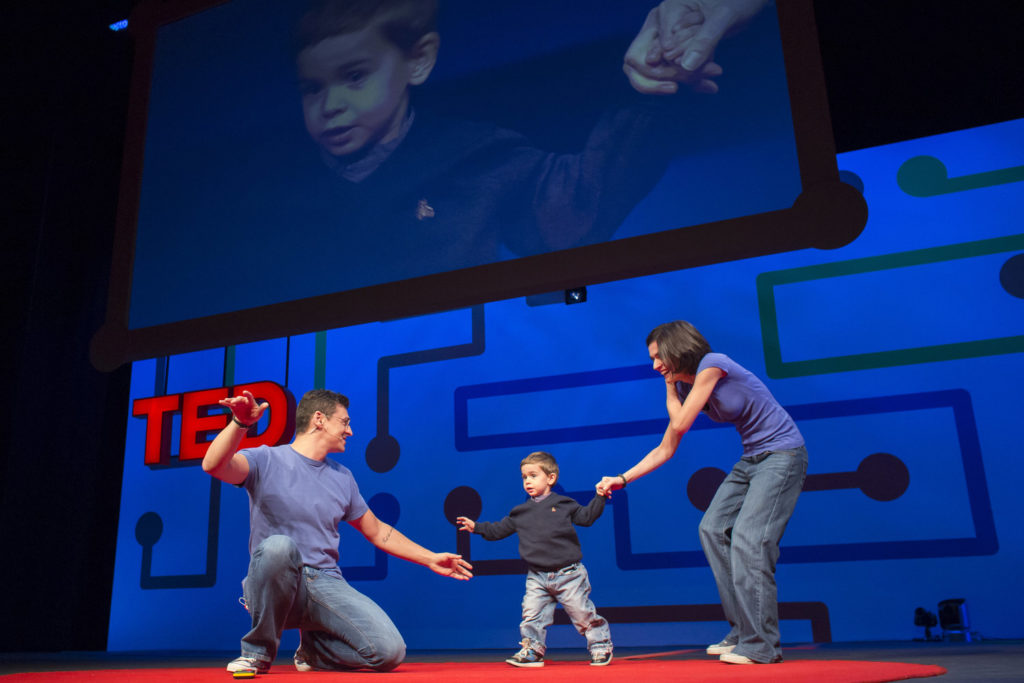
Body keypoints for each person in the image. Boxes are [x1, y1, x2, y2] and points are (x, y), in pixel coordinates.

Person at [285, 0, 691, 291]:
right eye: (312, 88)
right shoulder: (275, 197)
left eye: (355, 77)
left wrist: (654, 86)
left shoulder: (473, 156)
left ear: (419, 60)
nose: (331, 106)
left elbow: (578, 199)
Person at [203, 388, 473, 674]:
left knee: (389, 652)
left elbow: (378, 531)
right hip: (276, 580)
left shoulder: (342, 477)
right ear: (319, 419)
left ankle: (313, 651)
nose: (351, 431)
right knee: (278, 546)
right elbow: (214, 465)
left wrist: (429, 557)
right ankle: (256, 653)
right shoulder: (266, 459)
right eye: (344, 422)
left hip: (324, 583)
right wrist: (240, 424)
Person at [596, 321, 807, 665]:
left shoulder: (713, 363)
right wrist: (623, 478)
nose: (655, 366)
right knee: (711, 529)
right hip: (753, 457)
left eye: (657, 356)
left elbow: (679, 424)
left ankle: (762, 645)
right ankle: (742, 631)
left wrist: (669, 385)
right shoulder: (685, 386)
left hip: (783, 455)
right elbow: (667, 448)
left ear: (676, 346)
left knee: (750, 541)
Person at [456, 451, 613, 667]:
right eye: (524, 477)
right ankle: (532, 650)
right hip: (537, 577)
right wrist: (477, 527)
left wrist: (600, 497)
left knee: (582, 613)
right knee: (531, 615)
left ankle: (600, 646)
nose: (528, 481)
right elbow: (498, 530)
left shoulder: (564, 503)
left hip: (569, 574)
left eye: (533, 475)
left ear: (551, 478)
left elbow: (586, 518)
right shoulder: (521, 512)